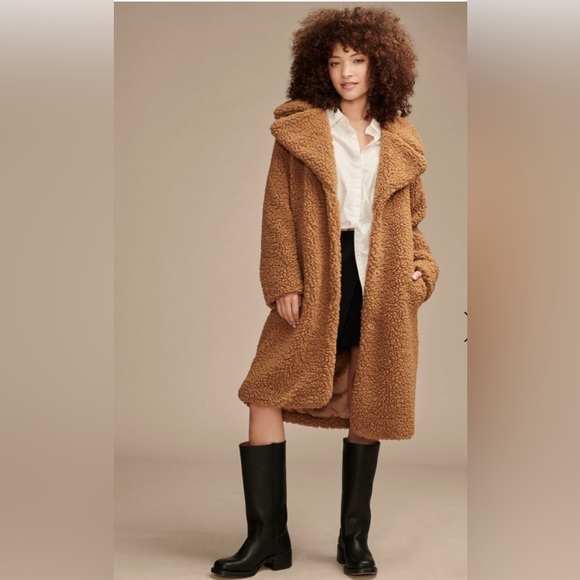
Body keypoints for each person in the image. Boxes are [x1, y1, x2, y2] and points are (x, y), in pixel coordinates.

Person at [211, 7, 439, 578]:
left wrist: (422, 272)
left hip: (380, 277)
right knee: (264, 389)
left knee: (368, 394)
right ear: (320, 68)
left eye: (357, 60)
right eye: (336, 62)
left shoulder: (401, 140)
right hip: (319, 271)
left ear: (380, 65)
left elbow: (412, 222)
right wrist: (283, 280)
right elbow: (277, 211)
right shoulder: (301, 132)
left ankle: (353, 540)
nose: (347, 72)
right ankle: (267, 538)